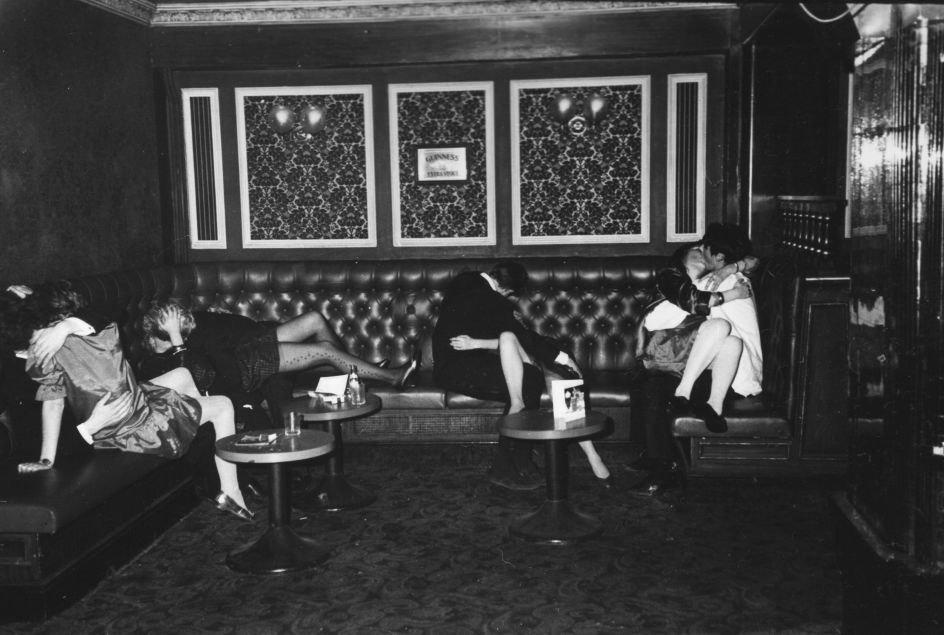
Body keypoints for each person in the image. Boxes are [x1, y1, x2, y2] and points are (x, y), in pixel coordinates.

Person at [0, 283, 254, 521]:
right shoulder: (100, 333)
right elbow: (105, 312)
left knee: (183, 375)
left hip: (123, 409)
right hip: (132, 426)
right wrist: (62, 323)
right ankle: (230, 490)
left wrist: (46, 459)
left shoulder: (43, 353)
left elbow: (53, 402)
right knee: (223, 405)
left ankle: (202, 449)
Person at [432, 261, 610, 490]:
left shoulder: (466, 280)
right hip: (462, 365)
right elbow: (514, 337)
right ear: (508, 290)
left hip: (464, 362)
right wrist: (559, 357)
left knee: (546, 381)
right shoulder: (494, 301)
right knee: (532, 380)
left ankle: (529, 457)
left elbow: (514, 337)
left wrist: (560, 358)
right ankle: (510, 464)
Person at [630, 223, 760, 492]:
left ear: (718, 257)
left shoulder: (715, 283)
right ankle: (652, 456)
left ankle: (664, 470)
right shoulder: (731, 276)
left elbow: (657, 319)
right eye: (695, 253)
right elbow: (752, 262)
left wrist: (721, 274)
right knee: (647, 382)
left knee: (654, 387)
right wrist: (733, 267)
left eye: (703, 250)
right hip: (729, 369)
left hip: (730, 377)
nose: (699, 250)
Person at [138, 302, 419, 400]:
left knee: (314, 319)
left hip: (253, 342)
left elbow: (220, 332)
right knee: (323, 350)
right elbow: (192, 375)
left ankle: (354, 374)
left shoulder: (188, 330)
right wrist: (176, 337)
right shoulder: (166, 358)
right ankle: (391, 377)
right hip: (248, 363)